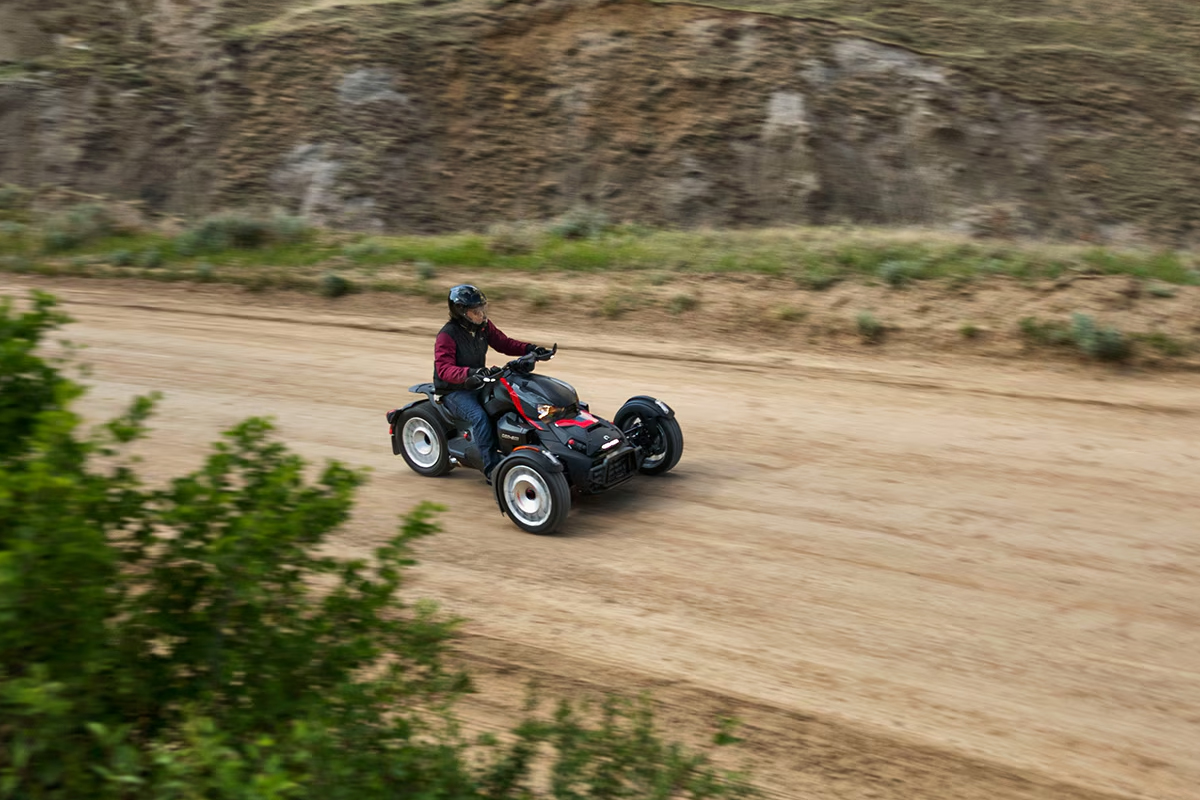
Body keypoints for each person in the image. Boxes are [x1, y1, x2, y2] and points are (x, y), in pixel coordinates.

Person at [434, 284, 551, 482]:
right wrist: (471, 373)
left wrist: (531, 349)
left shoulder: (483, 327)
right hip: (453, 391)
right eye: (476, 311)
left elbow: (504, 343)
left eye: (483, 308)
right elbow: (444, 369)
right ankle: (492, 470)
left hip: (478, 382)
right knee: (479, 417)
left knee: (513, 400)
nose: (482, 314)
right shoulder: (447, 335)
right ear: (461, 312)